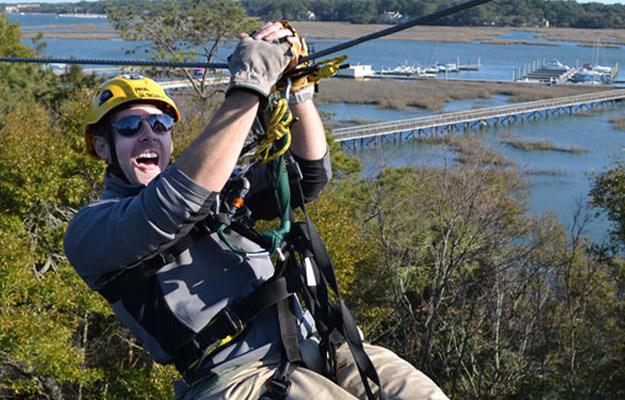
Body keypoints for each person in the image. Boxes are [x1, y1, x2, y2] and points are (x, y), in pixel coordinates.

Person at [64, 21, 449, 400]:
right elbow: (174, 204)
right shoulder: (90, 231)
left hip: (326, 342)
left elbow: (308, 175)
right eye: (130, 126)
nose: (149, 133)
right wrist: (249, 84)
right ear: (101, 147)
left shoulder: (221, 190)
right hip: (238, 379)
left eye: (160, 123)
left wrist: (297, 91)